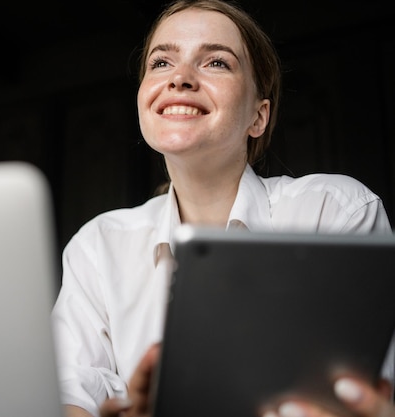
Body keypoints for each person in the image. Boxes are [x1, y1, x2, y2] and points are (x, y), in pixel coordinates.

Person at [50, 1, 395, 417]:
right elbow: (73, 389)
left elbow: (373, 392)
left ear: (258, 116)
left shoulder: (335, 212)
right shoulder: (98, 245)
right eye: (161, 62)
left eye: (216, 62)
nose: (180, 78)